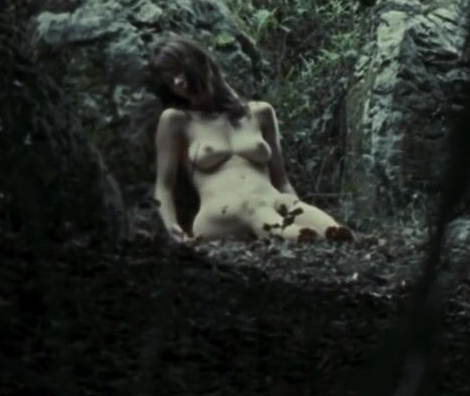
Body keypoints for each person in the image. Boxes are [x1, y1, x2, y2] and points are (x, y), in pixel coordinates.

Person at [145, 34, 353, 243]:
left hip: (271, 200)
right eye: (169, 80)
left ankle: (330, 233)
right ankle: (296, 237)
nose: (178, 82)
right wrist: (171, 228)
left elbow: (281, 181)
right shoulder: (177, 120)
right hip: (219, 214)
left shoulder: (260, 112)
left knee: (291, 206)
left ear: (199, 62)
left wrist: (295, 205)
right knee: (252, 206)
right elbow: (164, 186)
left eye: (178, 71)